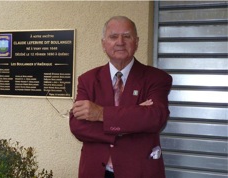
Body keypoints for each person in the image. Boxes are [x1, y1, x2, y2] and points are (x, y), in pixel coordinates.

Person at [69, 16, 172, 178]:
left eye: (127, 36)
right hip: (96, 171)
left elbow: (156, 118)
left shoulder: (156, 78)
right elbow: (77, 126)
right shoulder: (87, 80)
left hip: (139, 171)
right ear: (104, 44)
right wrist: (135, 117)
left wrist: (101, 114)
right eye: (113, 36)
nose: (120, 42)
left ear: (136, 42)